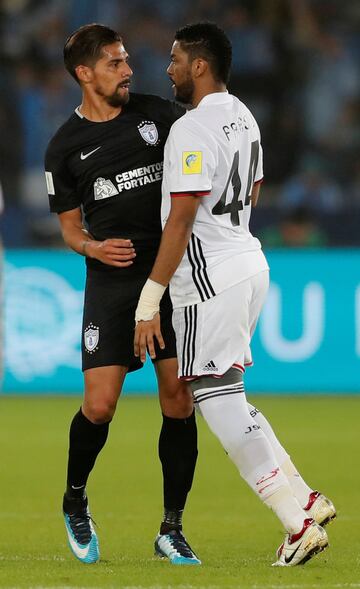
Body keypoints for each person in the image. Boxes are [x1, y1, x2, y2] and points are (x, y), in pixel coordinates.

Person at [134, 22, 335, 567]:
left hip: (209, 277)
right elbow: (254, 186)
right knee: (231, 393)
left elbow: (179, 220)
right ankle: (306, 499)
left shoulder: (191, 129)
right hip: (248, 260)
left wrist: (149, 300)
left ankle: (295, 526)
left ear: (200, 65)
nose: (169, 68)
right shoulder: (244, 114)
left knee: (214, 400)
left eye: (176, 59)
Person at [44, 24, 200, 566]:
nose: (128, 69)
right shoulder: (63, 148)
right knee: (100, 405)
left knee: (178, 398)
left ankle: (172, 529)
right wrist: (92, 247)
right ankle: (75, 499)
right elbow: (68, 229)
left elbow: (208, 154)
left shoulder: (160, 115)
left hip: (168, 276)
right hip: (111, 284)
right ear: (85, 74)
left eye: (127, 59)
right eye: (115, 62)